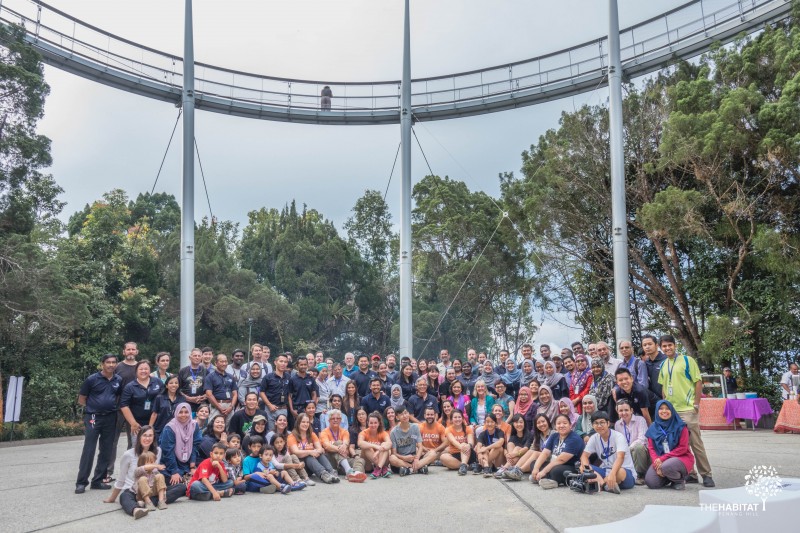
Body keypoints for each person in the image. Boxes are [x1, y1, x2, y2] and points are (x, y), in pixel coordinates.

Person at [657, 334, 715, 487]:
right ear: (661, 348)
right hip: (672, 411)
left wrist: (696, 403)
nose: (667, 348)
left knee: (696, 443)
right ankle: (691, 473)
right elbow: (664, 386)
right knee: (679, 445)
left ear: (675, 346)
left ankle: (706, 474)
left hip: (687, 409)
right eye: (664, 346)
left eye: (670, 345)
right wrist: (664, 406)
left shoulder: (687, 361)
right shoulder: (663, 365)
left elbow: (697, 382)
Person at [103, 425, 186, 519]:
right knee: (124, 496)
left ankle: (152, 502)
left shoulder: (158, 451)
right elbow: (121, 479)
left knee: (181, 487)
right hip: (134, 491)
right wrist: (112, 498)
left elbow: (155, 472)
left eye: (150, 435)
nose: (147, 438)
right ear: (139, 437)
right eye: (145, 435)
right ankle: (136, 509)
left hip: (151, 489)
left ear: (154, 437)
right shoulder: (128, 454)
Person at [76, 353, 123, 494]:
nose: (111, 365)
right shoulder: (92, 379)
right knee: (89, 449)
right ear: (102, 364)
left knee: (106, 450)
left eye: (113, 362)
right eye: (108, 362)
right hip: (94, 417)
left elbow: (117, 396)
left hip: (111, 417)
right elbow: (81, 399)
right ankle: (81, 482)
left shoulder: (118, 379)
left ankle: (98, 481)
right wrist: (93, 408)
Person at [579, 411, 636, 493]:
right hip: (605, 470)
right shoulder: (594, 438)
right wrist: (587, 470)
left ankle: (600, 483)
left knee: (620, 472)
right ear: (592, 425)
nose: (599, 426)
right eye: (596, 423)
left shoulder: (618, 436)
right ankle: (604, 485)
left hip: (624, 473)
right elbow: (584, 456)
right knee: (582, 467)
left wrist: (612, 474)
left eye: (602, 423)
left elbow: (620, 457)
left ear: (608, 423)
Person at [645, 400, 695, 490]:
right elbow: (651, 448)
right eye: (661, 409)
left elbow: (683, 448)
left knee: (667, 466)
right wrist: (656, 463)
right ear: (657, 411)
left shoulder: (681, 427)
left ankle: (679, 480)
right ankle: (668, 477)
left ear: (672, 410)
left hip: (681, 458)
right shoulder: (653, 427)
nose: (664, 411)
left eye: (667, 409)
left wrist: (662, 459)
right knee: (651, 482)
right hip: (660, 460)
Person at [108, 342, 139, 482]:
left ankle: (130, 471)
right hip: (118, 409)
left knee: (133, 441)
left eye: (133, 349)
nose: (131, 351)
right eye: (128, 349)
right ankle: (108, 472)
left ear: (137, 351)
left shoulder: (141, 367)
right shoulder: (118, 367)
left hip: (134, 410)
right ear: (124, 352)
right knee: (112, 441)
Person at [530, 414, 585, 488]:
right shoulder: (554, 436)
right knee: (534, 463)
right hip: (554, 463)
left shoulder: (574, 439)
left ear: (570, 425)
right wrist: (536, 468)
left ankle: (549, 480)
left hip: (570, 466)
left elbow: (561, 459)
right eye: (558, 423)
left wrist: (543, 471)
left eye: (565, 423)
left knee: (556, 471)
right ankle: (546, 479)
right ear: (555, 426)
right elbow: (545, 453)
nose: (561, 426)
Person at [288, 413, 339, 484]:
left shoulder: (311, 434)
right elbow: (295, 452)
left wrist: (315, 451)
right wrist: (310, 452)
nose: (305, 424)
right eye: (303, 422)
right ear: (298, 422)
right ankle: (324, 474)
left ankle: (331, 472)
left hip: (311, 466)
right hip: (300, 466)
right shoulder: (292, 436)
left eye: (307, 422)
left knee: (319, 454)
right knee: (309, 456)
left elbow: (320, 449)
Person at [160, 403, 203, 486]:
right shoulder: (170, 427)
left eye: (186, 412)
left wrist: (192, 466)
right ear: (176, 413)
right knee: (173, 480)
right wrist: (174, 471)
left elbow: (195, 446)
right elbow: (168, 451)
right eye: (180, 412)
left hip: (188, 463)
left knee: (204, 475)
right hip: (172, 463)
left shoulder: (194, 425)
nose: (183, 415)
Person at [320, 408, 366, 482]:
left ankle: (356, 474)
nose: (335, 420)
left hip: (344, 460)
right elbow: (327, 446)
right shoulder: (324, 432)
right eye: (333, 418)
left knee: (361, 460)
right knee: (338, 442)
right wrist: (341, 447)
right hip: (331, 461)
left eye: (338, 418)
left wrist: (344, 445)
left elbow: (346, 442)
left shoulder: (345, 431)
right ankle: (348, 470)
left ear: (340, 420)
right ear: (329, 421)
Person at [615, 399, 650, 485]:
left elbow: (642, 439)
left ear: (631, 410)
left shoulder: (640, 420)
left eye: (626, 410)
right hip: (627, 452)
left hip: (641, 452)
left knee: (637, 447)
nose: (624, 413)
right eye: (621, 410)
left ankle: (640, 475)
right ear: (617, 412)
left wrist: (628, 448)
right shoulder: (617, 424)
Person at [388, 407, 426, 476]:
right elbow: (394, 453)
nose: (405, 416)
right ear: (397, 417)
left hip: (413, 457)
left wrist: (416, 458)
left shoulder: (415, 427)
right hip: (401, 460)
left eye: (406, 413)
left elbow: (420, 446)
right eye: (402, 414)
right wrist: (404, 458)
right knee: (392, 458)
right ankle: (416, 468)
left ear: (408, 413)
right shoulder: (393, 432)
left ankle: (409, 470)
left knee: (432, 454)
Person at [148, 375, 186, 442]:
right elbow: (154, 414)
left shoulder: (182, 399)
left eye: (176, 383)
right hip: (160, 429)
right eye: (171, 383)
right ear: (166, 385)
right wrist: (150, 428)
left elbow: (185, 414)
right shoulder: (159, 398)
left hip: (176, 430)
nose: (174, 385)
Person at [204, 354, 237, 427]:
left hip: (230, 406)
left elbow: (235, 394)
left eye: (225, 361)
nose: (224, 364)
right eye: (222, 362)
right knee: (213, 427)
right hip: (216, 406)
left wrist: (231, 407)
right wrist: (219, 407)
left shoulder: (231, 377)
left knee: (230, 428)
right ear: (216, 363)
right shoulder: (210, 377)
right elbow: (209, 394)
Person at [260, 353, 291, 432]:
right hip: (270, 409)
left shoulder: (288, 377)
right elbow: (261, 392)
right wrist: (269, 405)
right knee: (271, 432)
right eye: (281, 361)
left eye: (285, 362)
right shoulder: (268, 377)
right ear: (275, 362)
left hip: (283, 408)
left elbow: (290, 394)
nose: (283, 364)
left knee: (282, 431)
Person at [440, 410, 476, 475]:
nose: (457, 419)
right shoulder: (448, 429)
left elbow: (471, 441)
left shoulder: (468, 428)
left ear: (462, 418)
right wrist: (461, 446)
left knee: (464, 444)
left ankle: (463, 465)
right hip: (455, 454)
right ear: (451, 419)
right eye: (455, 417)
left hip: (468, 453)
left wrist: (469, 445)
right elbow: (453, 441)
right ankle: (466, 466)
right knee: (443, 457)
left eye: (459, 417)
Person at [358, 412, 392, 479]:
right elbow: (360, 443)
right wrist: (375, 446)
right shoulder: (363, 433)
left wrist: (379, 450)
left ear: (379, 423)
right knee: (367, 447)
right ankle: (382, 469)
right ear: (368, 423)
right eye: (371, 423)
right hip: (369, 464)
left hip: (381, 458)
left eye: (375, 423)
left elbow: (389, 443)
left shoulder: (383, 433)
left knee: (385, 445)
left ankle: (378, 468)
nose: (373, 425)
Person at [497, 414, 532, 480]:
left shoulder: (529, 434)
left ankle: (506, 467)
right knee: (510, 444)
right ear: (513, 424)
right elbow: (505, 448)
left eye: (521, 422)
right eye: (516, 422)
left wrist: (514, 454)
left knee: (517, 448)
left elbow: (526, 448)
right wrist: (507, 454)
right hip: (514, 459)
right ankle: (509, 468)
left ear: (524, 423)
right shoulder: (513, 435)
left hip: (524, 459)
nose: (519, 424)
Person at [178, 348, 207, 412]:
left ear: (201, 357)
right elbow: (178, 389)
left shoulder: (205, 371)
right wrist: (188, 398)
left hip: (202, 407)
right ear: (190, 357)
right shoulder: (183, 371)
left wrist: (204, 397)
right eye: (195, 356)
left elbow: (210, 388)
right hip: (186, 405)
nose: (197, 358)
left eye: (199, 356)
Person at [642, 334, 667, 399]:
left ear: (656, 345)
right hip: (652, 400)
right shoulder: (645, 363)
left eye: (650, 344)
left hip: (668, 399)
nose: (647, 347)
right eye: (644, 345)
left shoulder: (666, 360)